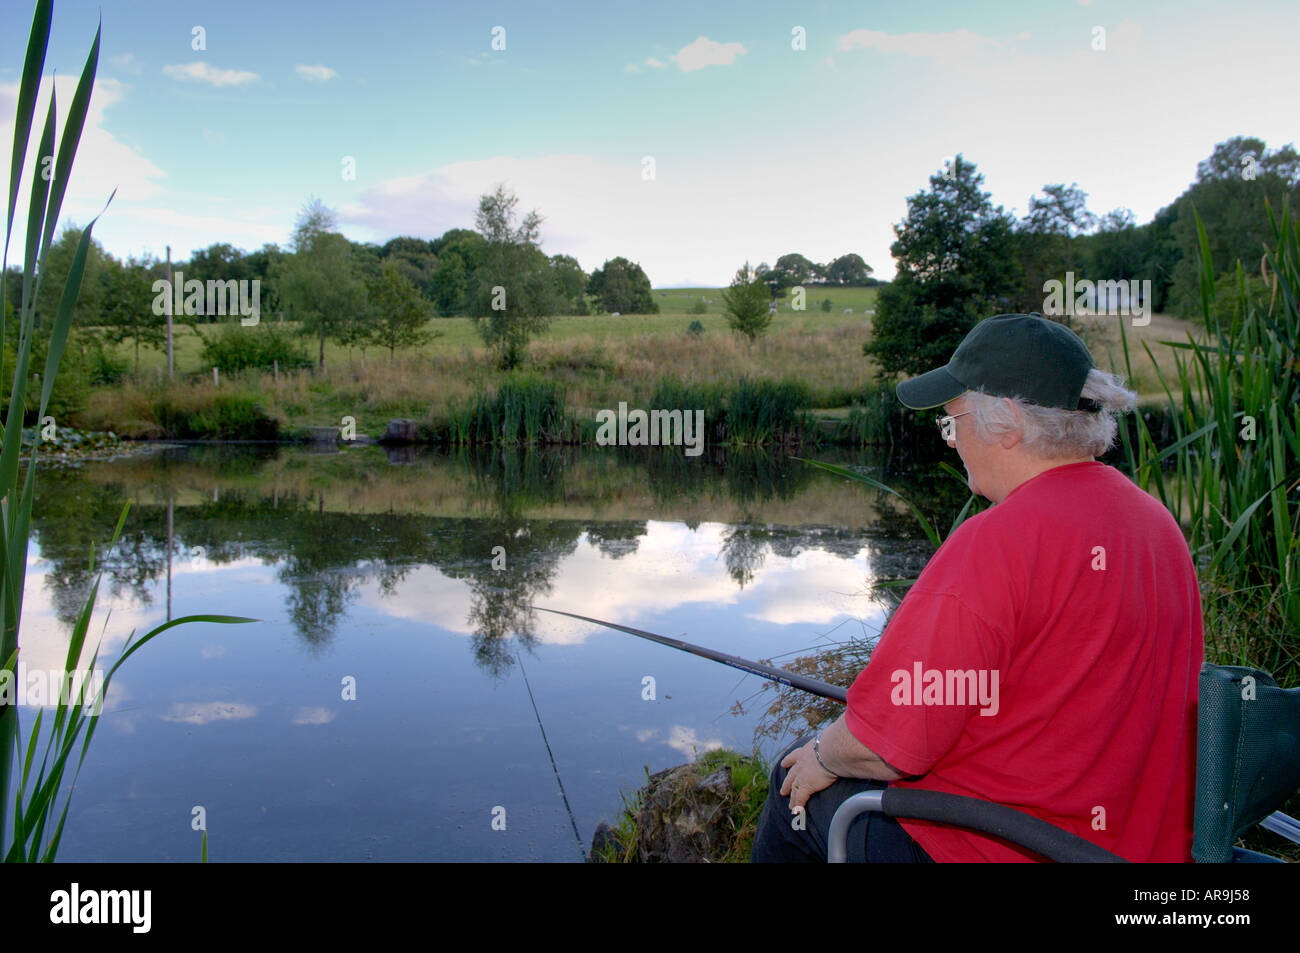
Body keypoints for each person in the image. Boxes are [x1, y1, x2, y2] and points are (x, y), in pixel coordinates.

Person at [751, 313, 1203, 862]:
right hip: (1129, 847)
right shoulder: (1155, 525)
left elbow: (886, 746)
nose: (951, 441)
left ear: (1007, 423)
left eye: (952, 422)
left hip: (1003, 844)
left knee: (789, 786)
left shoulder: (999, 542)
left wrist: (823, 753)